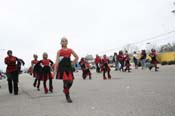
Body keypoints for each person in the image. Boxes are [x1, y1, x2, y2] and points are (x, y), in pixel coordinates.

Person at [55, 37, 79, 103]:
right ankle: (68, 97)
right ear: (61, 43)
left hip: (69, 67)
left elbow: (77, 57)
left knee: (71, 82)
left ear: (67, 42)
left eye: (65, 41)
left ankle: (65, 90)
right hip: (62, 68)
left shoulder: (70, 50)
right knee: (65, 82)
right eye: (62, 41)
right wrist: (54, 71)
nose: (64, 42)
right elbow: (57, 61)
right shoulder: (59, 51)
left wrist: (72, 63)